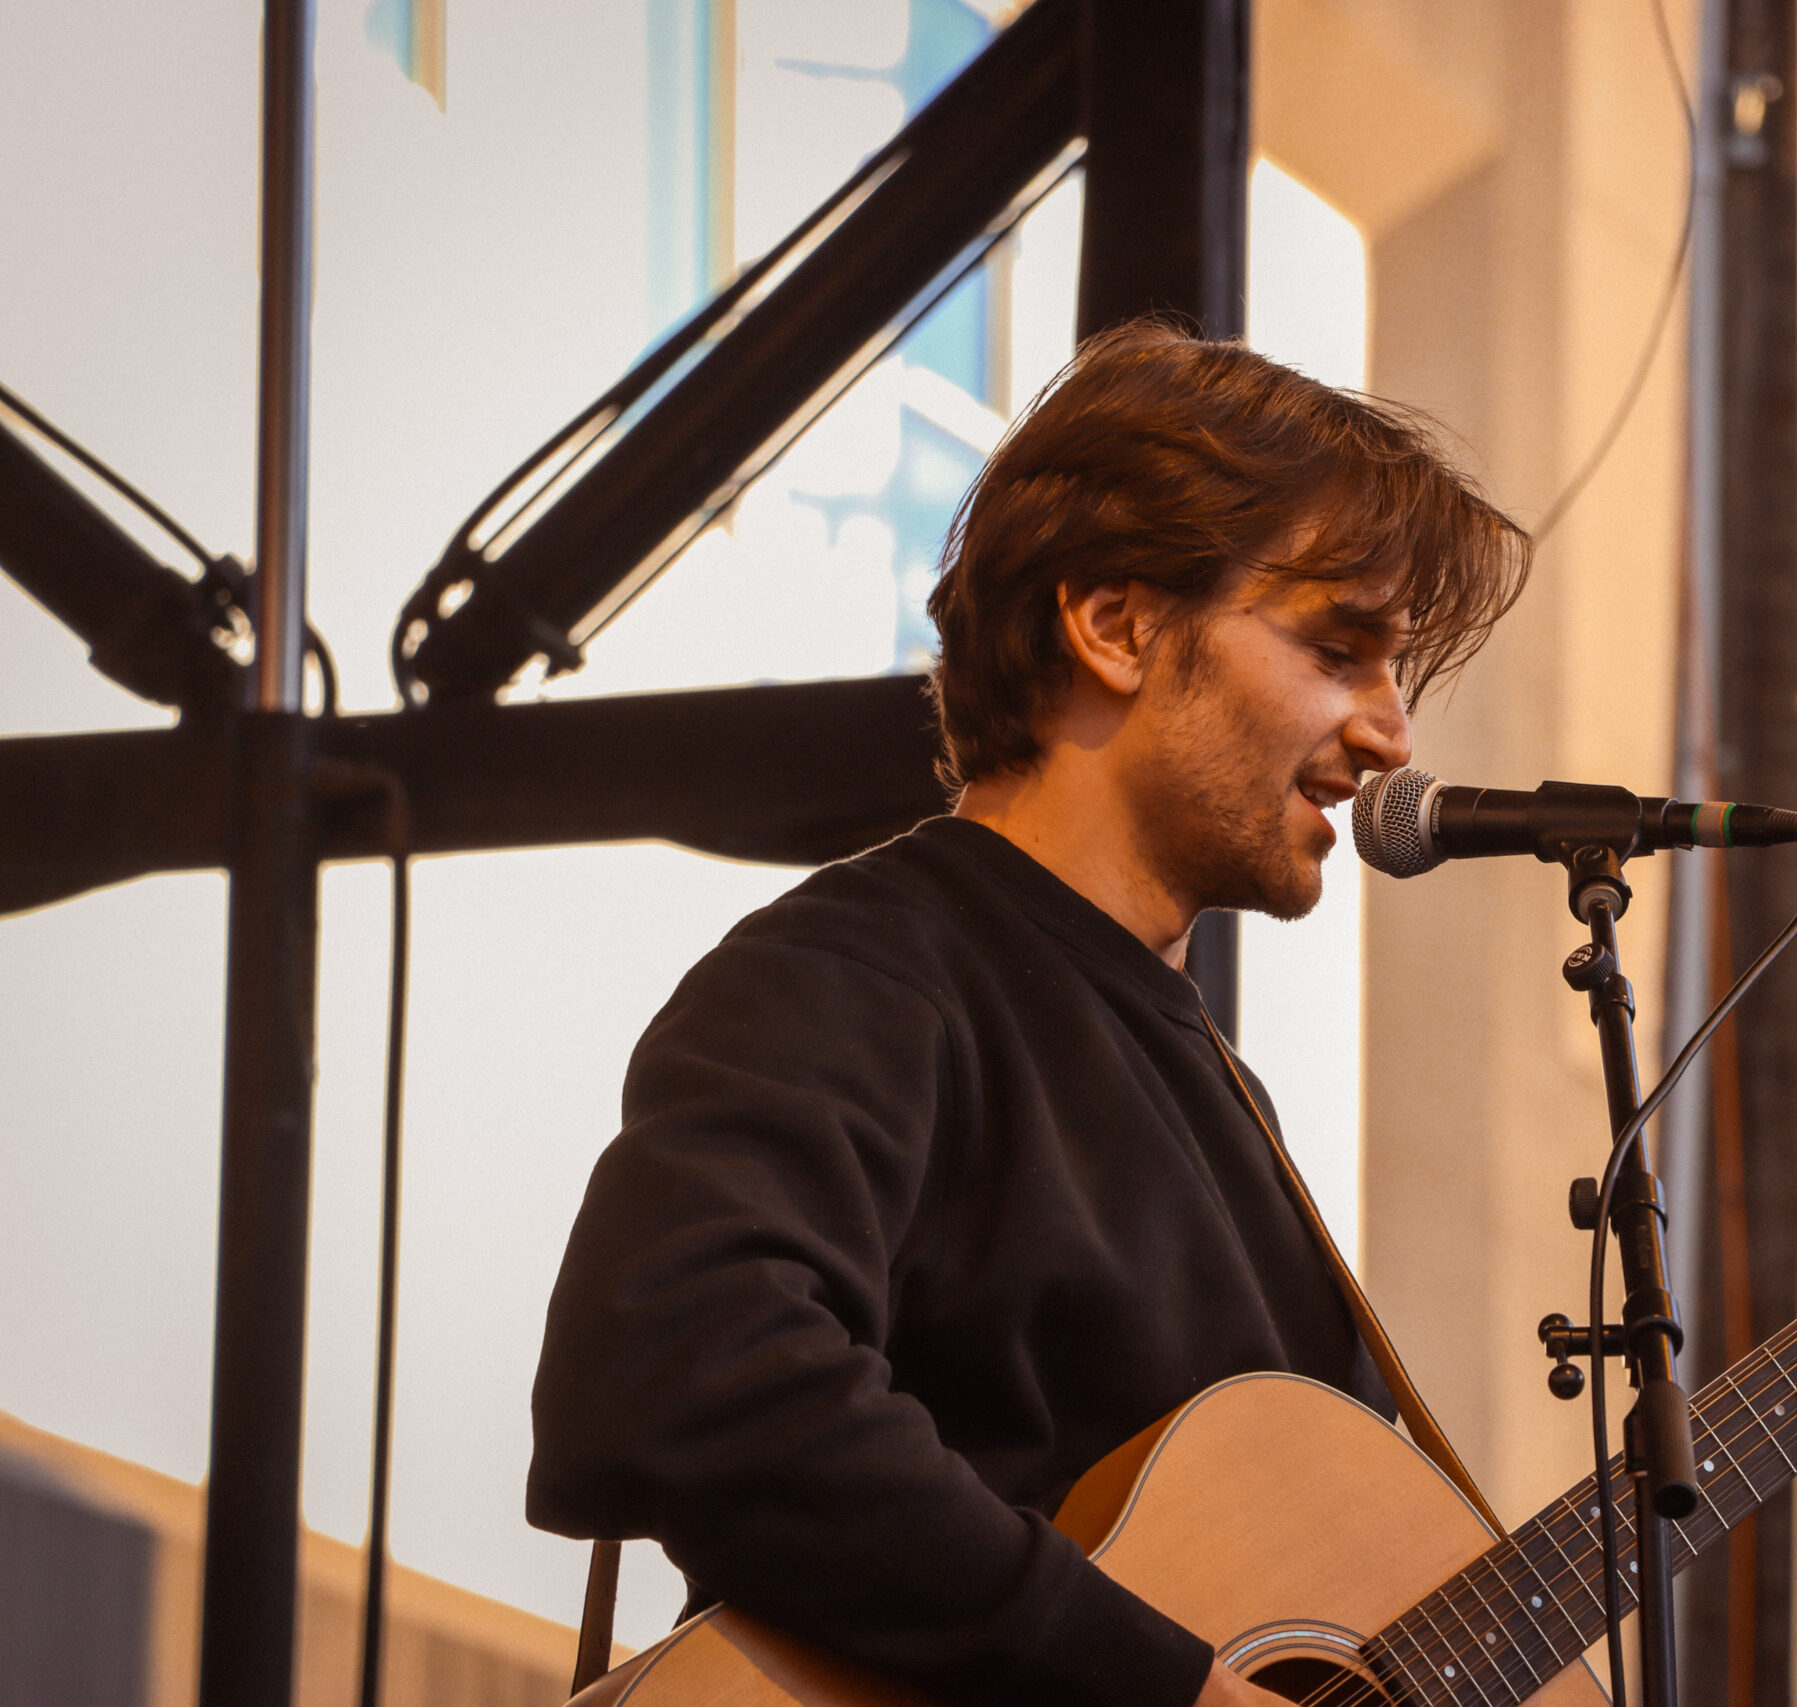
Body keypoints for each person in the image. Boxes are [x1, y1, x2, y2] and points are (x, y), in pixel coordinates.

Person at [527, 321, 1529, 1707]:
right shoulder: (868, 969)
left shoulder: (1223, 1107)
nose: (1391, 733)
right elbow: (676, 1370)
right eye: (1339, 648)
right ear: (1115, 624)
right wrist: (1157, 1688)